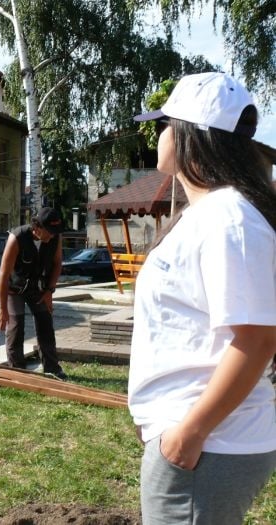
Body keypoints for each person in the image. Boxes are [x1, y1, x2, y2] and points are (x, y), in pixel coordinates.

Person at [129, 72, 276, 524]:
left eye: (164, 123)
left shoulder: (229, 218)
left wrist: (189, 434)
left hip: (208, 443)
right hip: (202, 440)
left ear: (192, 132)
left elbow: (256, 340)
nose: (159, 134)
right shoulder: (213, 213)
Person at [0, 208, 66, 379]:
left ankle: (51, 368)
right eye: (50, 232)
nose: (52, 236)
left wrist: (49, 291)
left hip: (38, 288)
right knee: (15, 327)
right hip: (14, 289)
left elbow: (57, 264)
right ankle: (18, 371)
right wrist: (2, 308)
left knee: (45, 323)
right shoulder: (17, 238)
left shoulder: (55, 237)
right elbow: (4, 276)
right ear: (38, 227)